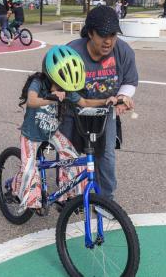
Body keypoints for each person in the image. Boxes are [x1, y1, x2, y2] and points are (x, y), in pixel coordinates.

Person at [11, 45, 118, 212]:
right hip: (31, 135)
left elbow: (84, 102)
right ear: (50, 75)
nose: (61, 91)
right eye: (58, 86)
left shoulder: (65, 89)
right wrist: (52, 98)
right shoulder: (38, 82)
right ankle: (24, 195)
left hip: (52, 132)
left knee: (72, 157)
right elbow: (31, 100)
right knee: (29, 169)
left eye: (64, 88)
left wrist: (107, 101)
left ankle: (67, 195)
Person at [59, 5, 138, 201]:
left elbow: (129, 81)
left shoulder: (123, 51)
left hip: (104, 111)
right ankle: (70, 194)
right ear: (90, 33)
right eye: (103, 35)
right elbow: (56, 84)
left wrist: (122, 97)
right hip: (73, 110)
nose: (109, 40)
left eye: (113, 34)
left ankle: (106, 199)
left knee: (106, 156)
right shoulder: (71, 52)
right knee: (69, 153)